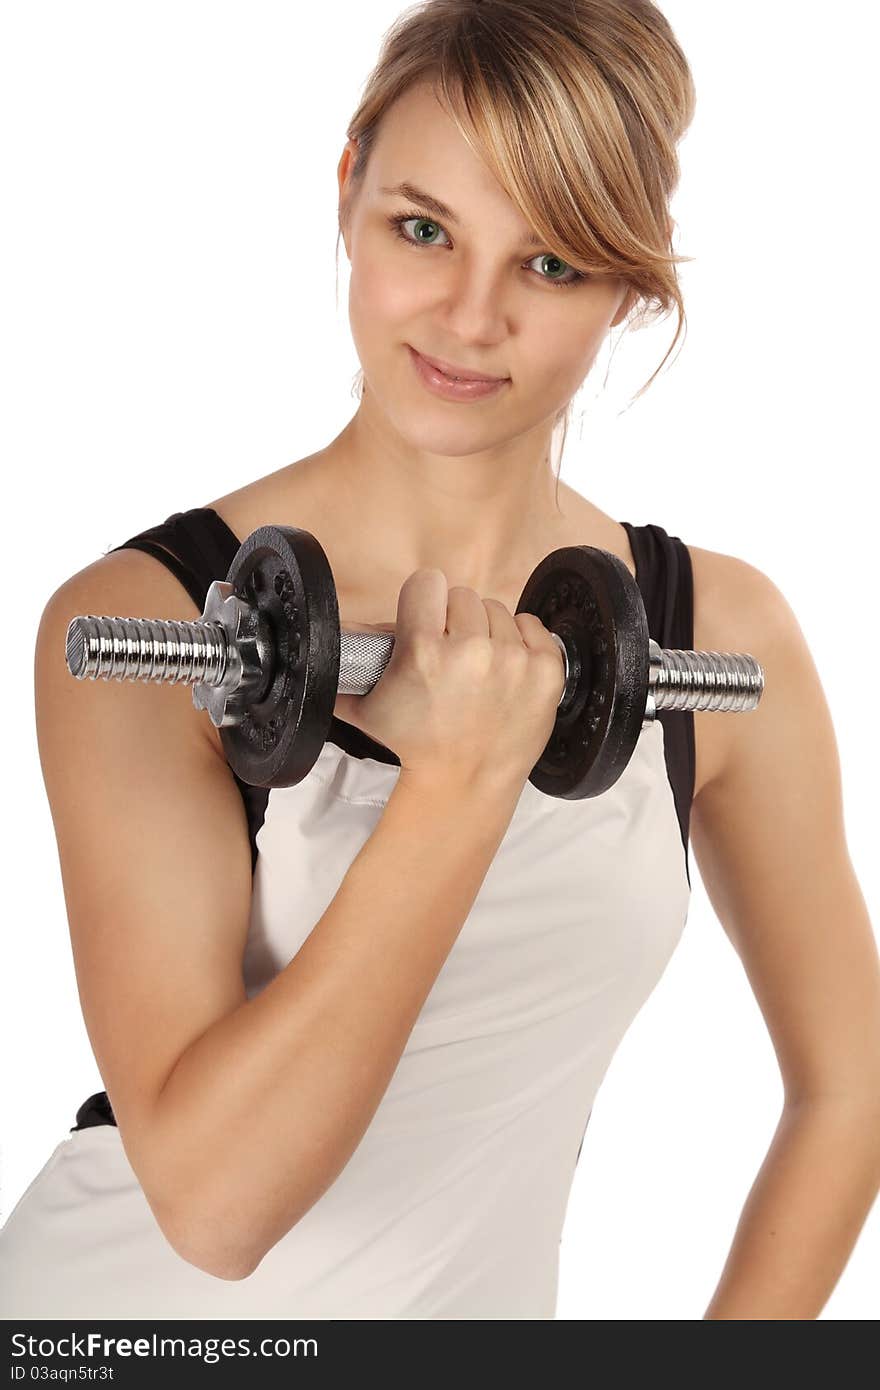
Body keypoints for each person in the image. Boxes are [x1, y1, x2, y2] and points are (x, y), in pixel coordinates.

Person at [2, 0, 877, 1322]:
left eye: (552, 265)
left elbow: (850, 1081)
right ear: (348, 193)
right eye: (425, 229)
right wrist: (460, 776)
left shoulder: (720, 631)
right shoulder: (150, 616)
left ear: (628, 288)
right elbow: (214, 1205)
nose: (470, 317)